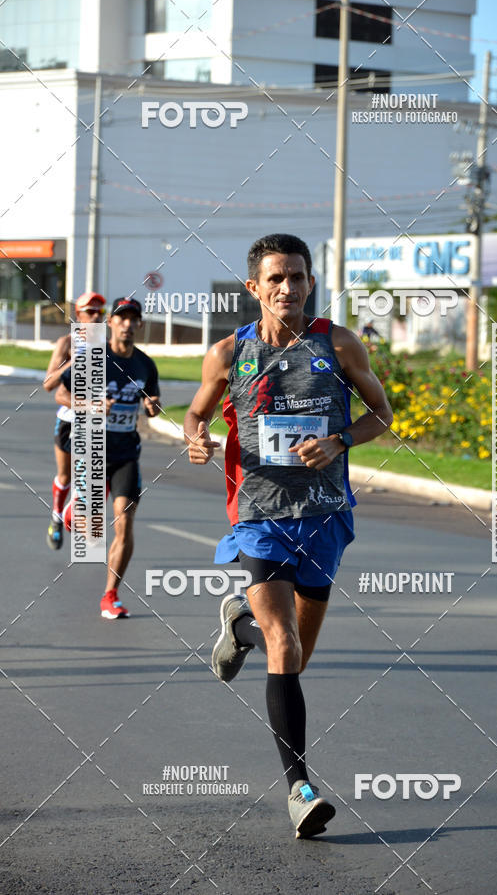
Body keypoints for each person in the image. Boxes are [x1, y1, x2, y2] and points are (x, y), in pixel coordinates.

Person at [184, 234, 393, 838]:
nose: (287, 288)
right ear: (254, 287)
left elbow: (382, 414)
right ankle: (300, 789)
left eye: (297, 277)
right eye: (275, 278)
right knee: (283, 645)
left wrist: (339, 440)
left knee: (296, 654)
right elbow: (196, 412)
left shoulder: (338, 343)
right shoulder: (230, 353)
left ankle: (239, 627)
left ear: (310, 283)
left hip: (325, 514)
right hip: (260, 514)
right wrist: (196, 437)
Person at [55, 297, 161, 619]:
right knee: (89, 527)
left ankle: (110, 595)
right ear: (111, 323)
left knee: (124, 523)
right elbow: (61, 393)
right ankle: (74, 510)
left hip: (127, 454)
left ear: (139, 324)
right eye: (121, 318)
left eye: (132, 319)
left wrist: (152, 406)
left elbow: (152, 403)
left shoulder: (145, 364)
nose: (127, 324)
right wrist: (90, 405)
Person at [43, 291, 107, 550]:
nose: (96, 317)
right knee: (65, 476)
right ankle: (57, 517)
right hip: (69, 421)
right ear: (78, 315)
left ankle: (86, 525)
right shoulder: (67, 343)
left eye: (100, 312)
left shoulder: (108, 346)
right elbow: (49, 384)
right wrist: (72, 363)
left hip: (98, 424)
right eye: (90, 312)